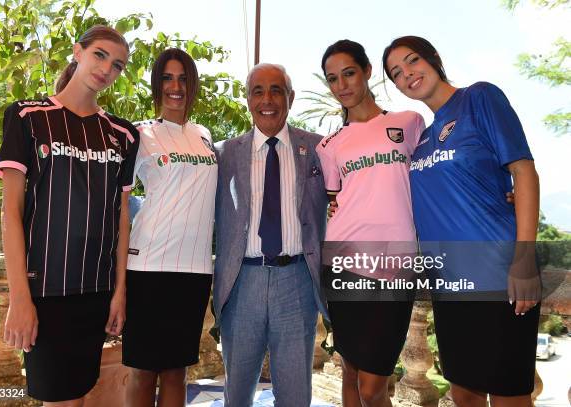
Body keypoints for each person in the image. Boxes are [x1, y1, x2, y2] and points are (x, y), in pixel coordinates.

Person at [383, 36, 540, 407]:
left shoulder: (480, 98)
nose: (407, 74)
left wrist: (524, 259)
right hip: (449, 282)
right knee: (464, 393)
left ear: (434, 59)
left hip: (498, 275)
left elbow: (525, 172)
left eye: (412, 61)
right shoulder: (421, 140)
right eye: (396, 73)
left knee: (508, 397)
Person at [0, 25, 139, 406]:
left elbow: (121, 219)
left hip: (95, 293)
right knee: (58, 399)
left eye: (118, 65)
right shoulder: (27, 117)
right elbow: (11, 213)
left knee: (77, 396)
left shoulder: (123, 135)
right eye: (100, 55)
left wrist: (119, 292)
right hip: (44, 292)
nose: (107, 68)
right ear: (78, 52)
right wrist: (19, 298)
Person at [316, 40, 424, 407]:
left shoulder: (408, 123)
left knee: (374, 385)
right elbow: (334, 201)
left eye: (348, 73)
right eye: (333, 79)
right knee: (350, 369)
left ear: (366, 72)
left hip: (396, 266)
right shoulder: (329, 145)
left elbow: (437, 173)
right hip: (344, 263)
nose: (342, 85)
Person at [213, 63, 328, 407]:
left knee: (295, 397)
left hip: (297, 285)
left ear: (290, 97)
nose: (267, 99)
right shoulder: (223, 153)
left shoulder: (319, 149)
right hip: (241, 284)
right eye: (258, 91)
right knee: (237, 396)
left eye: (276, 90)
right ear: (248, 99)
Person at [121, 48, 217, 407]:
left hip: (194, 270)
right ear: (156, 84)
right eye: (167, 77)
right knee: (143, 371)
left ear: (192, 85)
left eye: (182, 78)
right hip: (148, 266)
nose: (175, 86)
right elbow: (120, 203)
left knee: (177, 371)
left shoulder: (204, 134)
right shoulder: (139, 134)